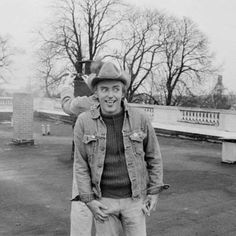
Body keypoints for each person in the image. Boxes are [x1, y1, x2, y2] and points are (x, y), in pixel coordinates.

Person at [73, 60, 168, 236]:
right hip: (103, 202)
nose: (110, 95)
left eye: (116, 89)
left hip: (134, 201)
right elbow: (81, 165)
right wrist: (89, 201)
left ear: (123, 92)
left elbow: (154, 157)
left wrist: (154, 192)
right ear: (96, 92)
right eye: (104, 89)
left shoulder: (141, 119)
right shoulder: (84, 122)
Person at [60, 75, 98, 236]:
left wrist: (66, 89)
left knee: (82, 208)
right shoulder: (120, 103)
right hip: (112, 164)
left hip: (87, 163)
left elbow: (68, 106)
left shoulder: (85, 103)